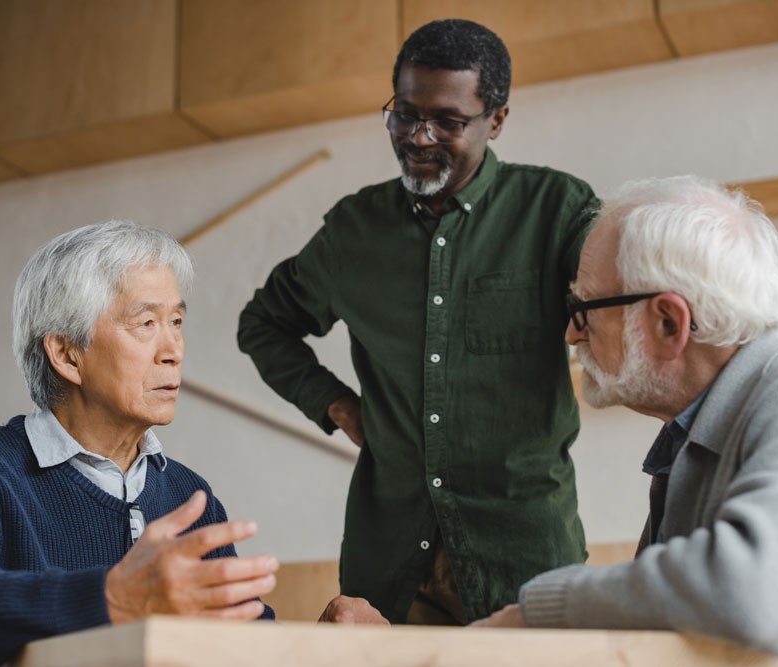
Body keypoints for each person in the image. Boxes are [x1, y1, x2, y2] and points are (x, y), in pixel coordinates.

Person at [238, 19, 598, 625]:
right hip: (390, 567)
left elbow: (616, 309)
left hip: (525, 564)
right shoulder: (355, 229)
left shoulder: (557, 212)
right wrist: (336, 406)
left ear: (497, 120)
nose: (419, 137)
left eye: (448, 122)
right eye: (403, 114)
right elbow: (264, 323)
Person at [474, 176, 778, 666]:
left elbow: (751, 589)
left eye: (585, 308)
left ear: (669, 323)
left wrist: (541, 611)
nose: (571, 334)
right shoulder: (697, 429)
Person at [0, 221, 279, 667]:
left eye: (176, 321)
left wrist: (327, 642)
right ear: (67, 354)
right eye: (147, 322)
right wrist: (113, 598)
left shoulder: (191, 497)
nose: (174, 348)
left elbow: (248, 645)